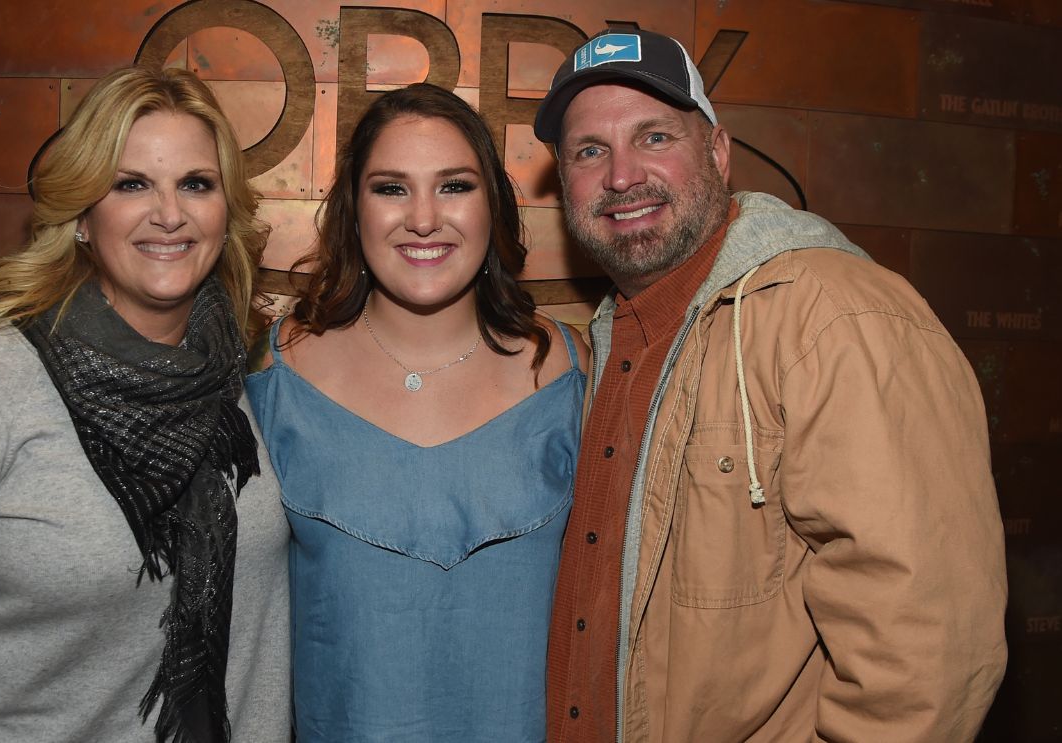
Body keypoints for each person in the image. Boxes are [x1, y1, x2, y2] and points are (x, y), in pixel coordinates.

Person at [533, 28, 1008, 743]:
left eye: (654, 137)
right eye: (589, 151)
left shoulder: (833, 316)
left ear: (718, 152)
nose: (621, 176)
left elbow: (926, 657)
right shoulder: (605, 340)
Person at [0, 66, 289, 743]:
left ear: (224, 210)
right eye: (130, 183)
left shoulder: (241, 367)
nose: (169, 213)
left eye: (196, 183)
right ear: (82, 216)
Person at [246, 82, 588, 741]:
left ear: (492, 205)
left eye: (454, 185)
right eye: (391, 188)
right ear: (354, 209)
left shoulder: (571, 372)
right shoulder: (277, 373)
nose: (424, 218)